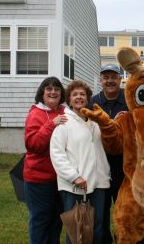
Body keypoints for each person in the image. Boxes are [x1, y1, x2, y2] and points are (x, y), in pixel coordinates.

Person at [50, 80, 110, 244]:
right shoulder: (64, 123)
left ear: (88, 98)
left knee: (97, 226)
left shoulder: (95, 122)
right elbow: (57, 154)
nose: (79, 97)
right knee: (76, 228)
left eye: (82, 94)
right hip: (75, 184)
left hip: (99, 183)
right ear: (69, 99)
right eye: (74, 94)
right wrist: (74, 176)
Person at [88, 63, 128, 243]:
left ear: (120, 79)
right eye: (106, 77)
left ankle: (123, 239)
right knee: (101, 210)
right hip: (99, 164)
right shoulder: (93, 101)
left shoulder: (129, 100)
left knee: (124, 210)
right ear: (100, 80)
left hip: (124, 164)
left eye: (114, 77)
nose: (110, 80)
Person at [23, 76, 67, 244]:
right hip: (39, 179)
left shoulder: (64, 111)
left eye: (56, 88)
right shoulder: (35, 113)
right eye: (48, 88)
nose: (53, 91)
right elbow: (33, 145)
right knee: (41, 220)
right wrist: (51, 125)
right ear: (42, 93)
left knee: (56, 220)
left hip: (60, 178)